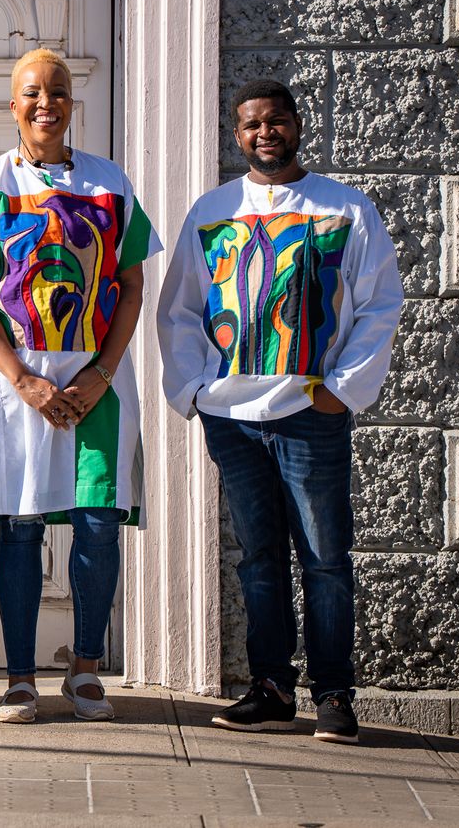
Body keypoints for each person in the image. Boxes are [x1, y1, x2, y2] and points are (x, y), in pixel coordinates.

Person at [156, 78, 401, 745]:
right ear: (237, 135)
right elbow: (180, 309)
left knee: (324, 556)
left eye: (276, 120)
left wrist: (340, 389)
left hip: (309, 410)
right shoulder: (213, 211)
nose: (265, 132)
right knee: (258, 558)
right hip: (233, 417)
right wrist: (195, 391)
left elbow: (380, 303)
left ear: (296, 124)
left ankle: (334, 694)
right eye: (252, 124)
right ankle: (270, 689)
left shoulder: (343, 207)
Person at [0, 49, 160, 725]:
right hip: (14, 386)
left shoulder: (110, 183)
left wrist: (100, 373)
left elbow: (131, 287)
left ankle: (86, 668)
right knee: (21, 525)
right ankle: (20, 679)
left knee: (98, 523)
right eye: (33, 92)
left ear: (72, 102)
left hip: (98, 383)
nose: (47, 103)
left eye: (59, 91)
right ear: (13, 105)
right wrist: (24, 380)